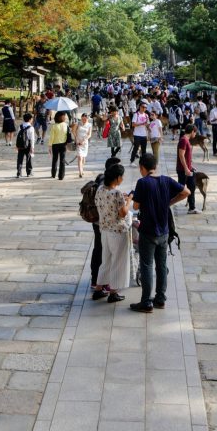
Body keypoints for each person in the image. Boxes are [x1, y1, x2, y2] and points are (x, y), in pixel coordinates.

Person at [130, 154, 190, 313]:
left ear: (142, 168)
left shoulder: (142, 183)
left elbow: (135, 206)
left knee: (147, 266)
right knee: (161, 266)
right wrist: (169, 202)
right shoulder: (167, 180)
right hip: (164, 232)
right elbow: (186, 192)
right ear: (155, 166)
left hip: (148, 232)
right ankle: (160, 299)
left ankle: (146, 302)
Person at [93, 163, 132, 303]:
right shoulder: (117, 193)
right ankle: (113, 292)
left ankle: (98, 289)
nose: (123, 178)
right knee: (118, 261)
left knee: (106, 260)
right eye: (122, 176)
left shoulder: (100, 189)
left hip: (104, 230)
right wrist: (128, 201)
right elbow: (122, 214)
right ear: (117, 178)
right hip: (117, 231)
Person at [88, 157, 121, 289]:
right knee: (103, 251)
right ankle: (100, 281)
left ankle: (96, 279)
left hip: (98, 221)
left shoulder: (102, 178)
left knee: (99, 249)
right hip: (102, 222)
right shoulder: (104, 182)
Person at [176, 124, 199, 215]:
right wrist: (186, 168)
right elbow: (181, 155)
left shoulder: (186, 140)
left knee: (191, 188)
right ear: (192, 131)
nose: (195, 134)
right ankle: (165, 202)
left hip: (188, 170)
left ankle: (192, 208)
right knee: (179, 190)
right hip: (183, 170)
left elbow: (186, 156)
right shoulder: (183, 140)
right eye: (195, 132)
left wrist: (190, 167)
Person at [47, 111, 69, 180]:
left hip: (55, 145)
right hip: (63, 144)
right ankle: (61, 176)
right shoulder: (66, 125)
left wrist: (49, 146)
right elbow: (67, 136)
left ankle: (53, 174)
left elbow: (51, 137)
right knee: (62, 160)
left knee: (55, 159)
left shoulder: (54, 126)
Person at [15, 113, 35, 178]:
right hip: (28, 145)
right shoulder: (31, 128)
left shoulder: (20, 126)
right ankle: (28, 173)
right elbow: (32, 138)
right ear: (30, 119)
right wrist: (32, 147)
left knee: (20, 159)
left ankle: (19, 172)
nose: (32, 120)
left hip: (20, 145)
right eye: (32, 119)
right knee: (28, 159)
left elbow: (18, 136)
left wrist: (17, 145)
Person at [74, 112, 93, 178]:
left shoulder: (89, 125)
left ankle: (82, 168)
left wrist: (84, 140)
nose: (84, 120)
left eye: (85, 119)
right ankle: (80, 172)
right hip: (78, 142)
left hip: (85, 142)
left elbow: (89, 134)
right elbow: (73, 131)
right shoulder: (78, 123)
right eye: (82, 119)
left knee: (83, 157)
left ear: (87, 119)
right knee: (80, 157)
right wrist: (76, 139)